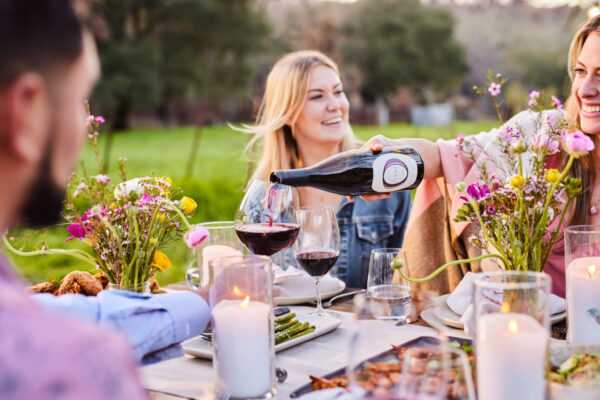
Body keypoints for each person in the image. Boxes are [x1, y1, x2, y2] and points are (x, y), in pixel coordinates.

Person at [0, 2, 208, 398]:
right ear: (26, 111)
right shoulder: (75, 372)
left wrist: (196, 305)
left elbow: (68, 313)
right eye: (80, 100)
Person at [361, 15, 600, 298]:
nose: (585, 89)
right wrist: (392, 152)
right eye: (581, 71)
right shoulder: (542, 135)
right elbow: (450, 155)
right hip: (531, 328)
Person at [241, 50, 411, 288]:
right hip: (293, 324)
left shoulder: (382, 180)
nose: (336, 106)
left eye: (339, 92)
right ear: (288, 113)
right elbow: (254, 284)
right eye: (317, 96)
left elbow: (408, 281)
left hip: (365, 323)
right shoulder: (264, 196)